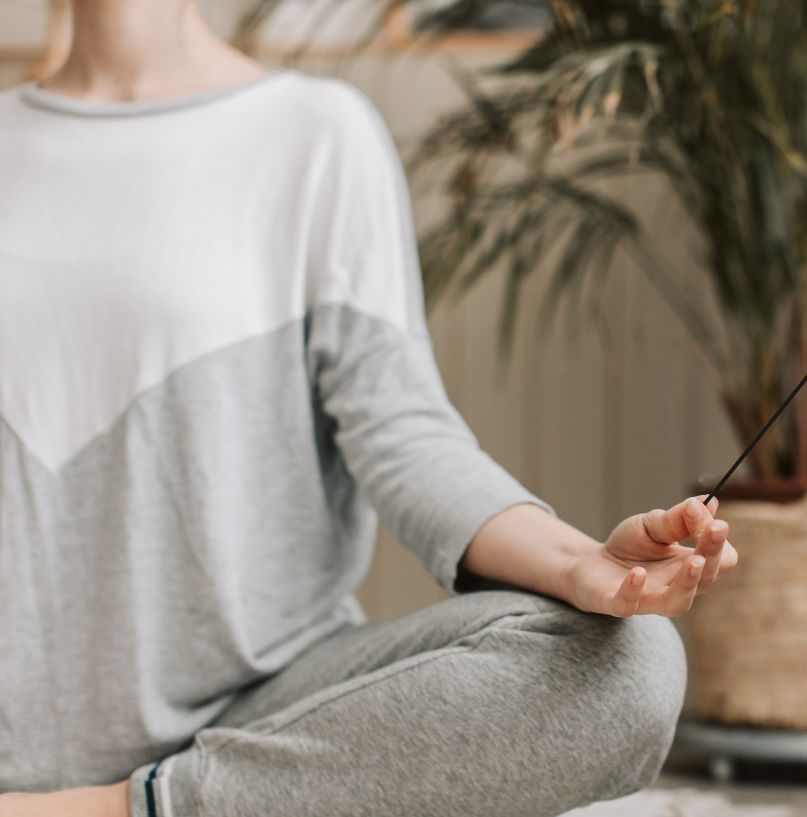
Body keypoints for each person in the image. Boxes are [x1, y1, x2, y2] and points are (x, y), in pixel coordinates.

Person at [0, 2, 739, 816]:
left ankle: (121, 808)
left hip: (269, 713)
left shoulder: (313, 134)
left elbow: (401, 427)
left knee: (626, 664)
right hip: (17, 724)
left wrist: (581, 565)